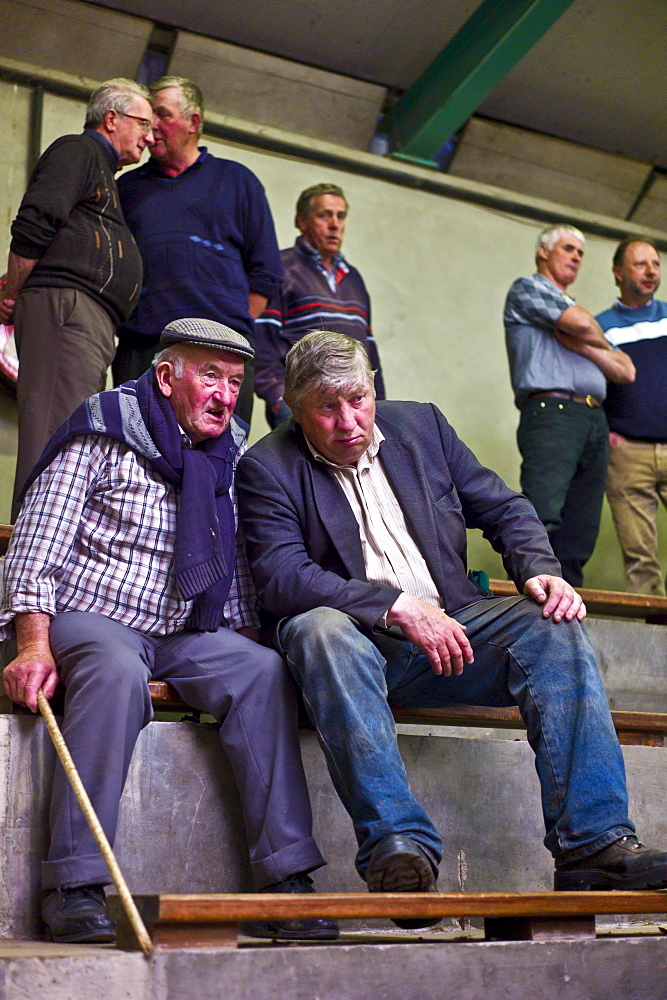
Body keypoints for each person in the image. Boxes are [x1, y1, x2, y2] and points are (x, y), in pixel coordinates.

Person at [236, 330, 667, 925]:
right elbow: (282, 576)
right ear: (294, 408)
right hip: (358, 651)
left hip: (456, 633)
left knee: (555, 628)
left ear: (373, 389)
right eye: (326, 409)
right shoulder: (266, 465)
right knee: (318, 629)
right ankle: (399, 847)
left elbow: (502, 505)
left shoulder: (422, 428)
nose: (348, 421)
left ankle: (593, 845)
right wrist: (395, 606)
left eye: (357, 399)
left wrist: (541, 570)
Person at [0, 318, 336, 945]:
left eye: (235, 382)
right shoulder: (102, 429)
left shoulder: (228, 453)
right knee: (116, 670)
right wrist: (32, 643)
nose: (226, 394)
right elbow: (36, 543)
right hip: (90, 616)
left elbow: (231, 568)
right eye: (210, 376)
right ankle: (73, 884)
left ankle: (286, 881)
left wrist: (247, 637)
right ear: (165, 377)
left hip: (181, 630)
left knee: (261, 672)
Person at [0, 78, 154, 522]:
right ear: (112, 118)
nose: (148, 136)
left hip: (83, 320)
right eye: (143, 124)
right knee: (54, 439)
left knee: (70, 443)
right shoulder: (79, 150)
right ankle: (28, 569)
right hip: (67, 313)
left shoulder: (102, 169)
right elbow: (35, 221)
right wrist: (12, 292)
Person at [113, 76, 283, 426]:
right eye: (145, 117)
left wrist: (225, 332)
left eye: (162, 114)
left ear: (194, 122)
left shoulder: (238, 181)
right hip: (142, 348)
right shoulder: (126, 188)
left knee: (220, 465)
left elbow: (266, 275)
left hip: (223, 351)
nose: (152, 125)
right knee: (135, 458)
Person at [503, 224, 635, 586]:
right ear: (544, 252)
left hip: (593, 418)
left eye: (581, 253)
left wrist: (585, 346)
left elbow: (626, 370)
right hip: (552, 412)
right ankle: (532, 599)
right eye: (568, 249)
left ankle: (568, 605)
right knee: (543, 513)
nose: (576, 257)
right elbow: (577, 321)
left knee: (581, 527)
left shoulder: (577, 313)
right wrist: (586, 331)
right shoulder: (528, 289)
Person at [254, 183, 385, 428]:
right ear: (302, 222)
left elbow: (370, 353)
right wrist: (278, 400)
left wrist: (382, 407)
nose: (335, 224)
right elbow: (262, 344)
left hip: (355, 411)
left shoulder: (354, 278)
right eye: (324, 215)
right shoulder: (280, 269)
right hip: (305, 408)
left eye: (340, 216)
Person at [597, 238, 667, 595]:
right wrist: (605, 429)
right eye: (641, 264)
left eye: (655, 263)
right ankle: (655, 650)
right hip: (628, 457)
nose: (651, 271)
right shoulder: (599, 328)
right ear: (618, 272)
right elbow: (588, 388)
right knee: (640, 561)